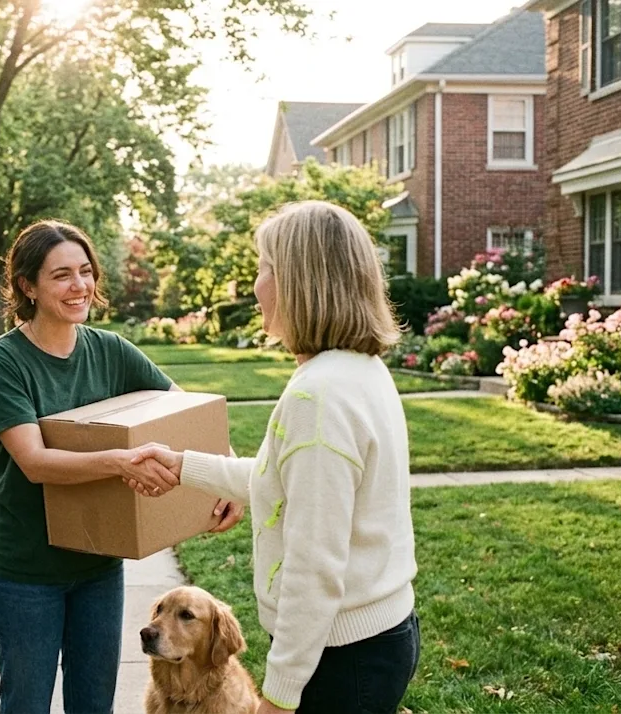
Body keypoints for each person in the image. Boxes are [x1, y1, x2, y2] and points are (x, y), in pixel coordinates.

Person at [132, 201, 420, 714]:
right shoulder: (357, 370)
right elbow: (283, 479)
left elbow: (315, 566)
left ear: (300, 282)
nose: (256, 285)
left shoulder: (320, 398)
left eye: (265, 269)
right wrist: (183, 465)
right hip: (376, 634)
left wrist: (281, 697)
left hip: (341, 657)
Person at [0, 219, 244, 714]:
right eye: (61, 275)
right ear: (27, 286)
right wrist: (123, 462)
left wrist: (226, 479)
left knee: (94, 704)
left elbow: (189, 414)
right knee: (26, 702)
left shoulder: (110, 350)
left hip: (98, 561)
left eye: (85, 271)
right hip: (27, 568)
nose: (79, 286)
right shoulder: (2, 362)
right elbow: (35, 462)